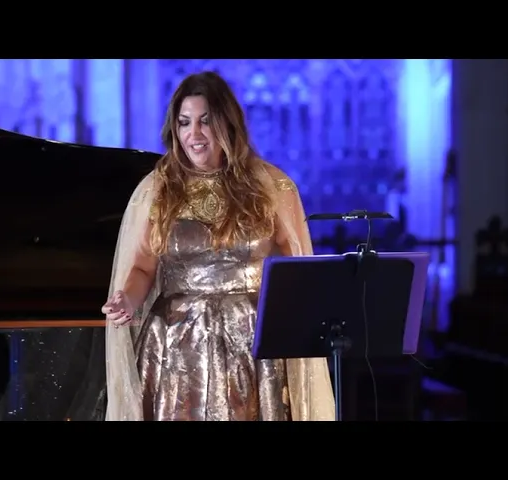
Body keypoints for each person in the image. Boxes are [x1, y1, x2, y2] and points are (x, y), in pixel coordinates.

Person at [101, 71, 335, 421]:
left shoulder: (272, 186)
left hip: (251, 343)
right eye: (184, 122)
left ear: (227, 123)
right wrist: (128, 300)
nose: (193, 134)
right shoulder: (158, 189)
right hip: (175, 344)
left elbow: (297, 270)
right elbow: (143, 267)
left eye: (205, 121)